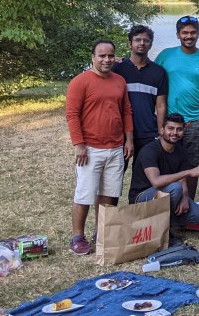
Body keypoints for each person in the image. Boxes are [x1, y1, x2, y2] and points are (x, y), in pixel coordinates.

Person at [65, 40, 134, 255]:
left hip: (115, 148)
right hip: (90, 149)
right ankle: (78, 237)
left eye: (110, 55)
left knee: (109, 194)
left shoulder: (119, 81)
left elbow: (126, 111)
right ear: (93, 57)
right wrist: (79, 145)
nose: (107, 59)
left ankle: (101, 233)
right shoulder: (80, 82)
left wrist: (129, 140)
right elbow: (72, 115)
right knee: (85, 194)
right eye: (102, 56)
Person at [155, 16, 199, 200]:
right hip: (168, 119)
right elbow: (150, 75)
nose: (189, 36)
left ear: (198, 34)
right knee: (165, 161)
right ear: (178, 34)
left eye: (193, 32)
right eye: (185, 32)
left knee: (191, 163)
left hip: (193, 121)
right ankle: (167, 202)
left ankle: (188, 201)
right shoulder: (165, 56)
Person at [128, 113, 199, 228]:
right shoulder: (149, 150)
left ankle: (164, 221)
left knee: (197, 216)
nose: (175, 132)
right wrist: (188, 172)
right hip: (141, 197)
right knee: (175, 188)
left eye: (179, 129)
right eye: (170, 128)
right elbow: (156, 182)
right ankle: (159, 227)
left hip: (167, 193)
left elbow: (182, 180)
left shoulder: (181, 151)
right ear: (162, 129)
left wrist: (185, 198)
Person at [112, 25, 167, 156]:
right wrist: (112, 60)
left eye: (146, 40)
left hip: (147, 131)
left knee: (145, 168)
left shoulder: (159, 72)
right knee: (118, 168)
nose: (142, 43)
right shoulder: (117, 69)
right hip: (121, 131)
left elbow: (161, 105)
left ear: (150, 45)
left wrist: (161, 130)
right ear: (130, 44)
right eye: (137, 40)